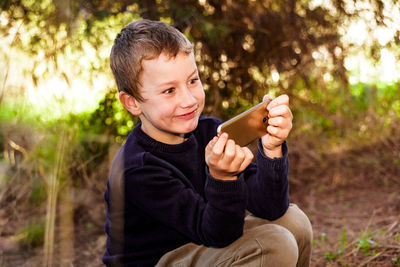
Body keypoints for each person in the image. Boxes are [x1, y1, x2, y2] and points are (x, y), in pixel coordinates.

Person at [103, 19, 312, 267]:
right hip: (161, 259)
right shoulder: (137, 169)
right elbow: (218, 233)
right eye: (169, 91)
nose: (190, 100)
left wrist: (272, 149)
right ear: (132, 103)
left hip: (203, 241)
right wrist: (223, 179)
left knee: (294, 222)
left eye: (193, 80)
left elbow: (270, 207)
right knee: (274, 244)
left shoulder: (207, 131)